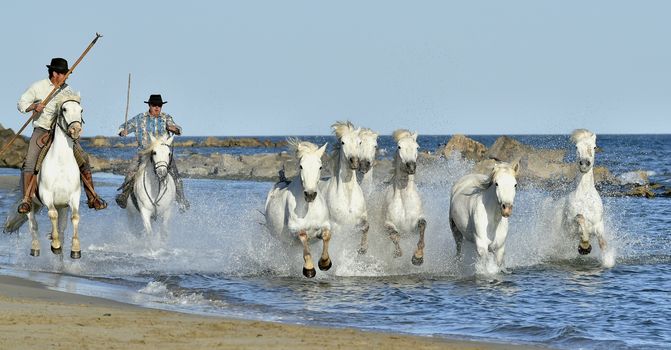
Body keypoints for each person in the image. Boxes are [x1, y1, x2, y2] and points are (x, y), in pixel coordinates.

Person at [16, 57, 107, 214]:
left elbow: (73, 111)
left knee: (84, 159)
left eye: (67, 73)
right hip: (42, 130)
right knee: (30, 162)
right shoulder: (38, 87)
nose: (66, 76)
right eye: (64, 73)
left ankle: (92, 197)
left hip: (64, 133)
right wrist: (34, 106)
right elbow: (21, 104)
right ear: (54, 73)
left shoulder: (69, 90)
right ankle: (27, 200)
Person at [116, 94, 190, 212]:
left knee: (176, 175)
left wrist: (174, 129)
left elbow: (178, 129)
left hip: (162, 153)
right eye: (154, 105)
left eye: (159, 105)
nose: (157, 108)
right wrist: (123, 131)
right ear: (149, 105)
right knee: (130, 173)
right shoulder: (140, 118)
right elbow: (123, 127)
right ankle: (124, 196)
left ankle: (181, 199)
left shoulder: (166, 118)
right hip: (144, 152)